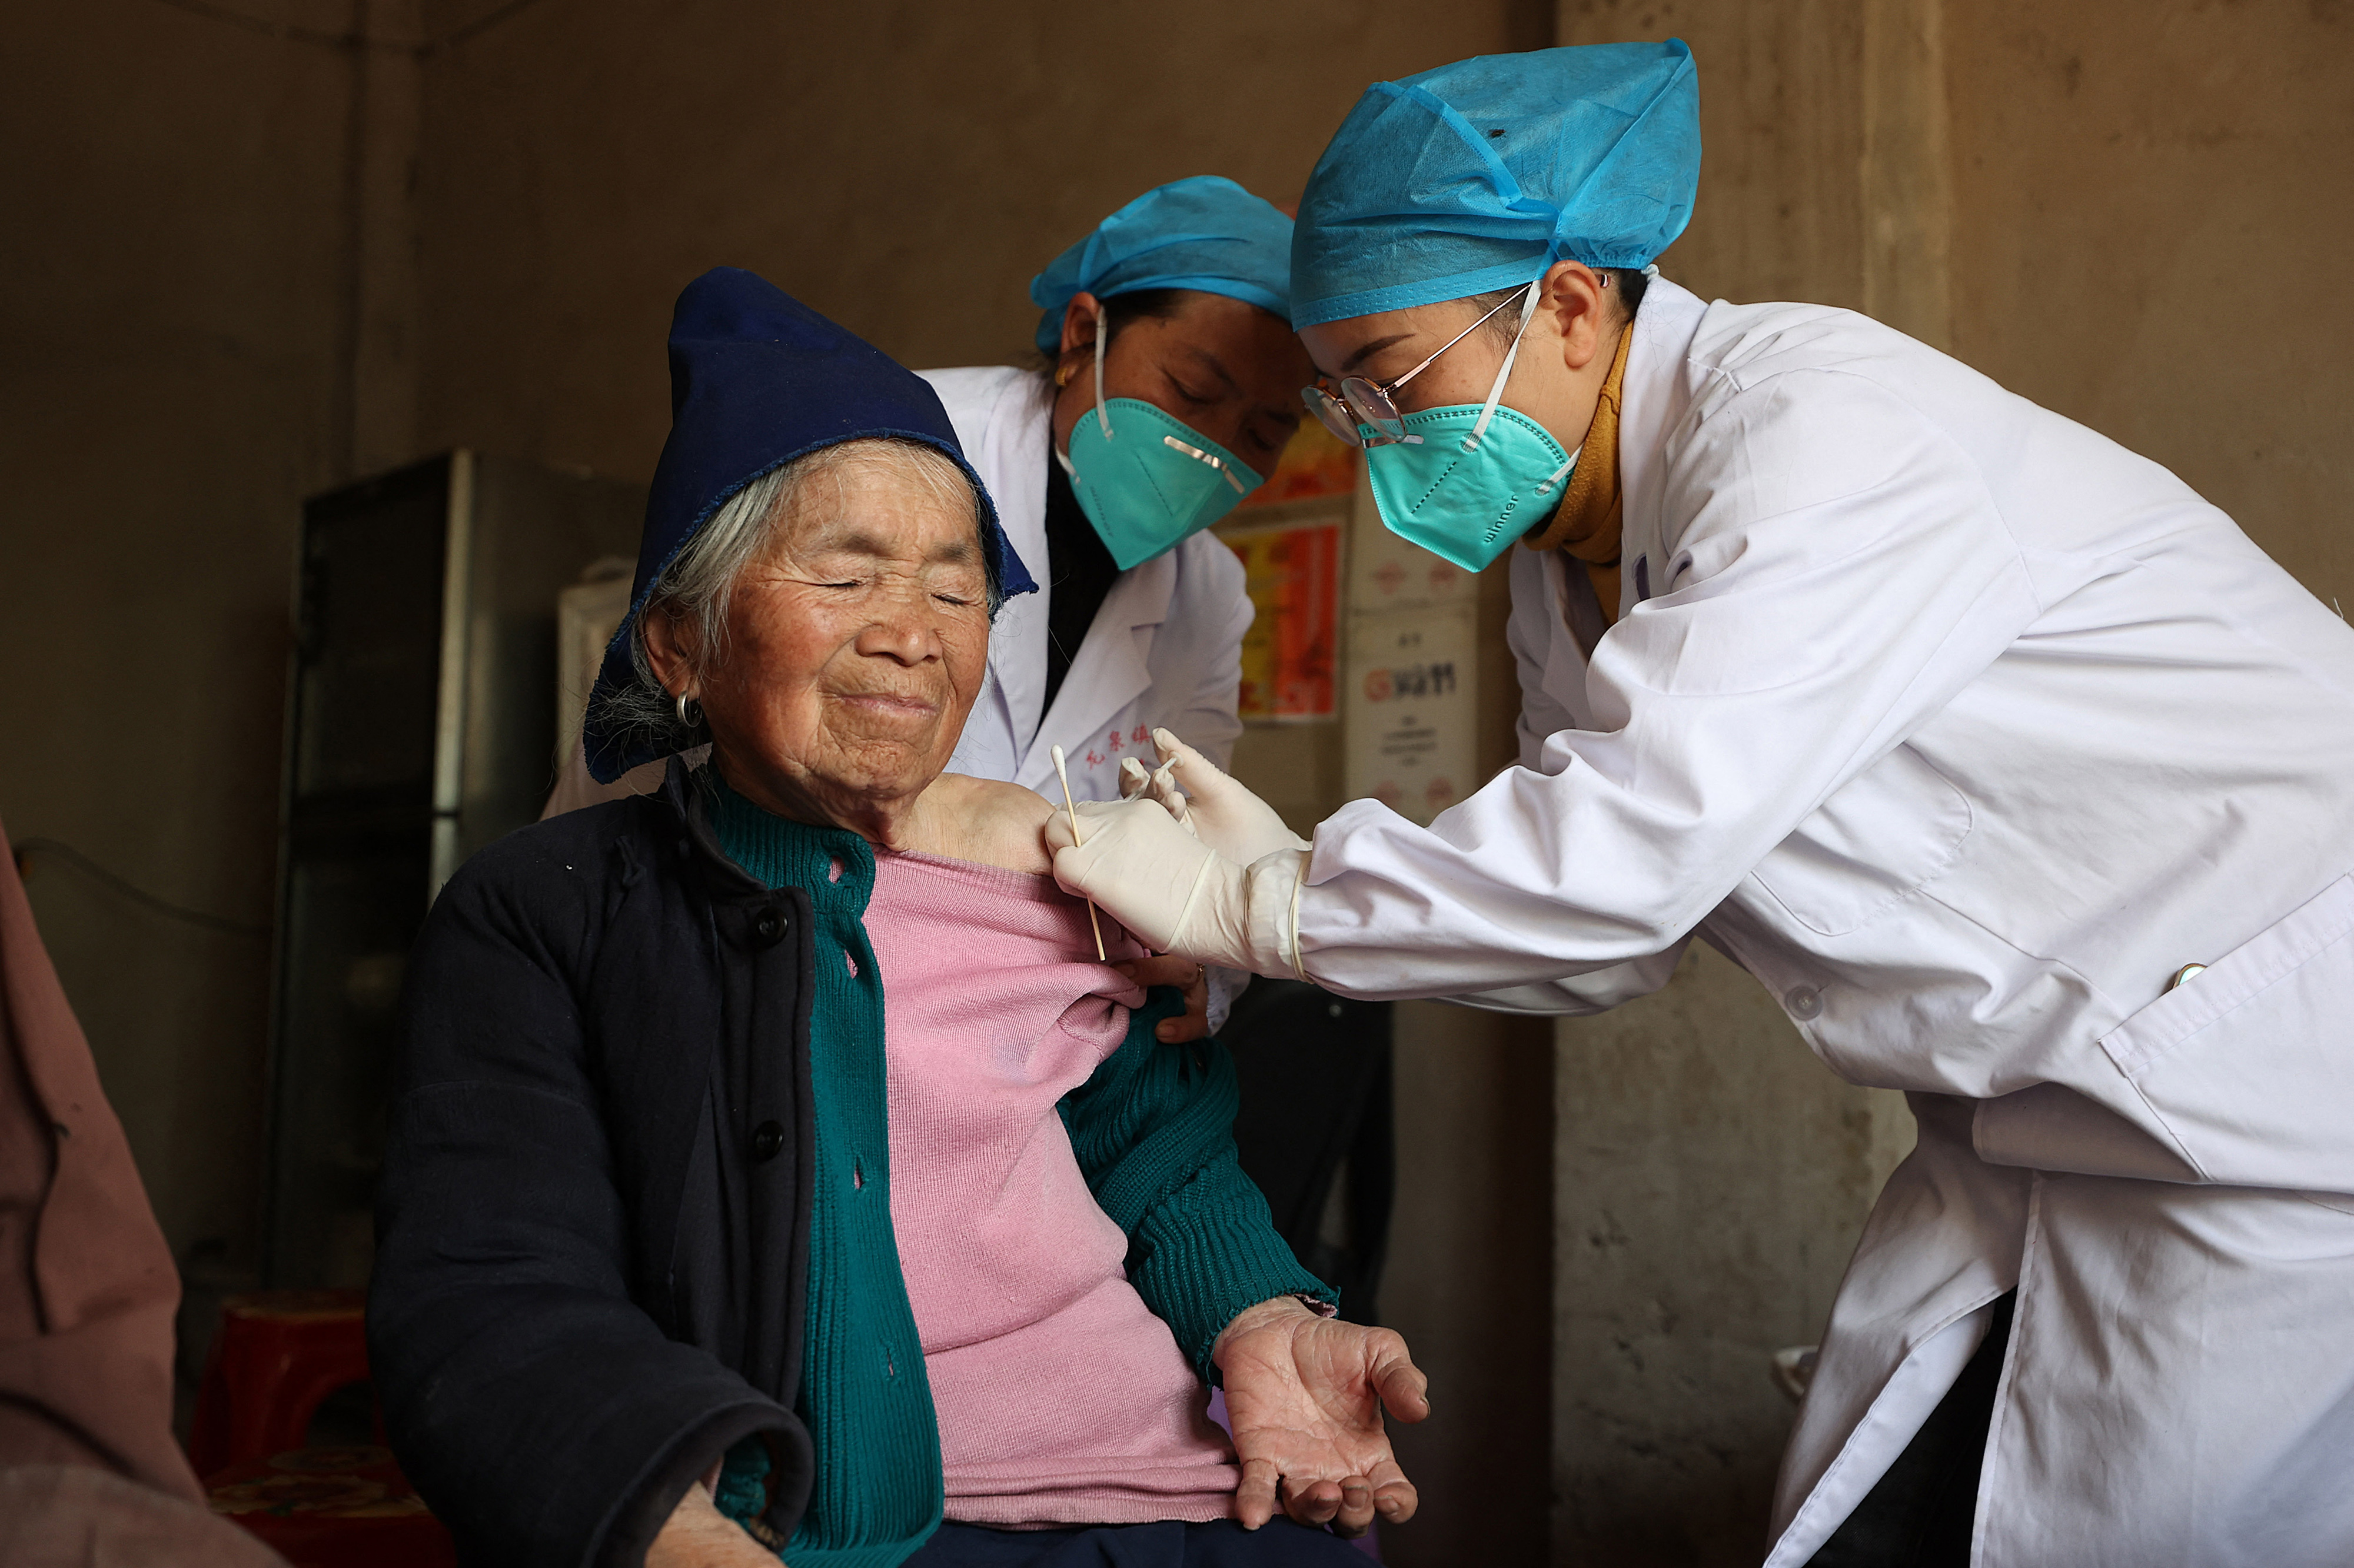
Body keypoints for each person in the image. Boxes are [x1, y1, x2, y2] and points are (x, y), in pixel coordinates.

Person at [1048, 41, 2354, 1568]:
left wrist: (1266, 903)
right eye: (1337, 399)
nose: (1371, 430)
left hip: (2269, 1092)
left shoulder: (1817, 436)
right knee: (1880, 1507)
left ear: (1575, 305)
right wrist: (1274, 907)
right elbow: (1608, 944)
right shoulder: (1566, 562)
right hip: (2052, 1115)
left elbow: (1628, 859)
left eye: (1391, 378)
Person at [370, 269, 1425, 1568]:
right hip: (875, 1523)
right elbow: (491, 1291)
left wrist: (1263, 1319)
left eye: (952, 588)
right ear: (677, 643)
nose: (912, 638)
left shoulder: (1047, 881)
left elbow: (1160, 1149)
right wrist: (665, 1515)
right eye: (847, 574)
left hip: (1196, 1495)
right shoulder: (545, 914)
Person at [548, 175, 1314, 1044]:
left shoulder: (1207, 593)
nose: (1211, 444)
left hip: (1010, 1033)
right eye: (1192, 389)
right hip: (736, 958)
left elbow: (1184, 853)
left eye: (1263, 432)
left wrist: (1201, 966)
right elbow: (715, 725)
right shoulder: (885, 441)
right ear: (1082, 334)